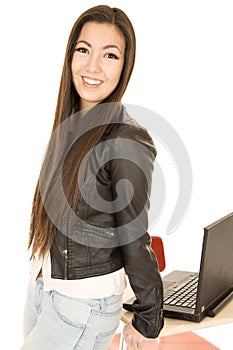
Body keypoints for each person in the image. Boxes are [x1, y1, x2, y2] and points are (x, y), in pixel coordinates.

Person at [21, 5, 164, 350]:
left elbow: (134, 235)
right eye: (83, 50)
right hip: (47, 288)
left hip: (81, 307)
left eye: (110, 55)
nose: (93, 66)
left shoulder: (126, 140)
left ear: (125, 66)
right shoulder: (72, 125)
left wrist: (149, 319)